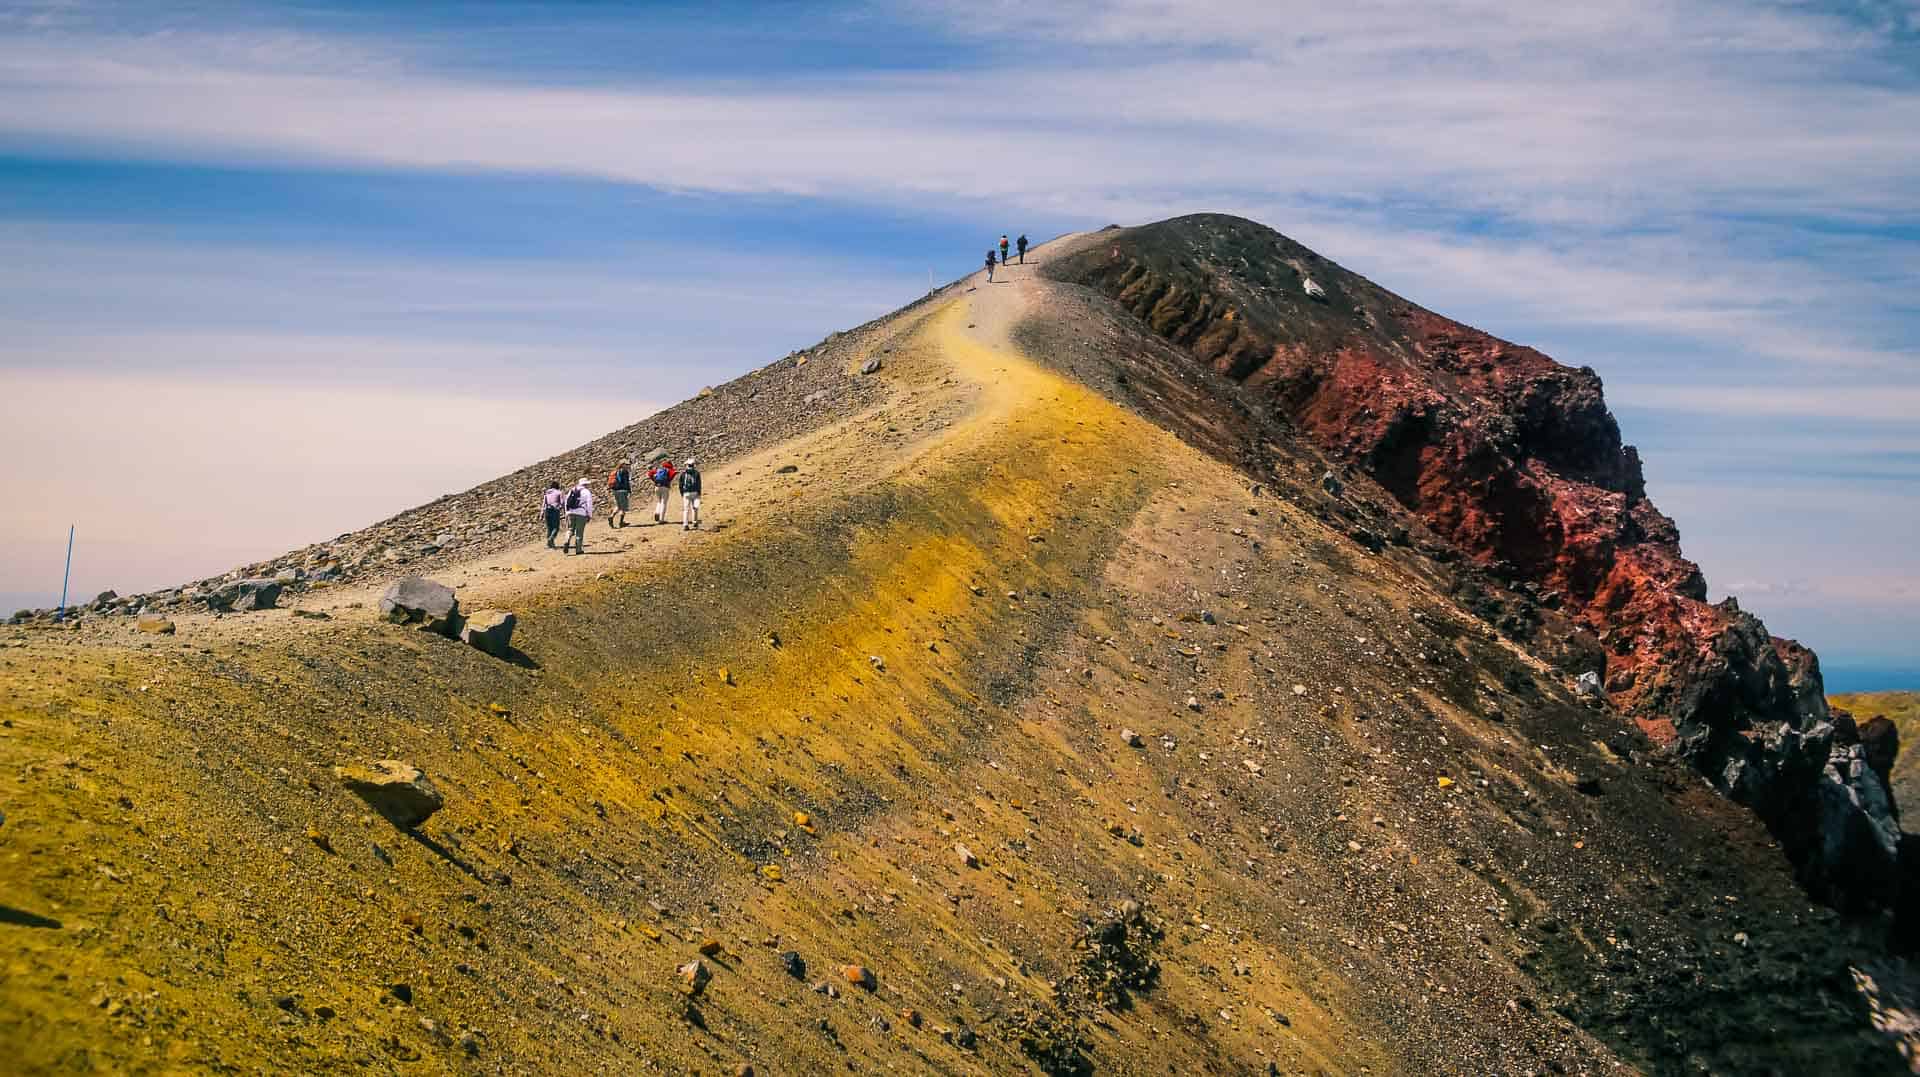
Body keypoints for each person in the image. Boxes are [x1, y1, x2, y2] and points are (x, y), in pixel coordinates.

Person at [562, 477, 594, 553]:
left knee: (570, 529)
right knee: (579, 532)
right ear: (585, 484)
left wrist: (566, 512)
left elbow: (566, 501)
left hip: (570, 512)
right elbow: (589, 504)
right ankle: (578, 549)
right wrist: (589, 515)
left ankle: (566, 540)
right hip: (581, 513)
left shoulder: (572, 490)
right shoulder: (586, 492)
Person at [649, 457, 677, 524]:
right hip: (665, 487)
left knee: (659, 501)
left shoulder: (659, 469)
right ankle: (661, 519)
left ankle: (657, 512)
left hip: (657, 487)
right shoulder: (670, 470)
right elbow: (672, 475)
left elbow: (650, 474)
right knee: (664, 503)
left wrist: (654, 480)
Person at [679, 457, 702, 531]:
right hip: (695, 492)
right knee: (695, 507)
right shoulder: (697, 473)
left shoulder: (683, 474)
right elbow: (699, 483)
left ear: (687, 465)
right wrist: (699, 492)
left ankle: (685, 524)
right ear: (693, 465)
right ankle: (695, 522)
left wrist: (682, 492)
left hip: (686, 493)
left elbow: (680, 484)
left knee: (686, 509)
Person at [608, 459, 632, 528]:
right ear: (623, 465)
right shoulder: (624, 472)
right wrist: (629, 491)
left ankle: (611, 516)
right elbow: (626, 482)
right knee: (623, 508)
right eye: (626, 464)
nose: (627, 466)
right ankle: (621, 522)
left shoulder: (616, 471)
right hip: (623, 491)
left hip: (615, 491)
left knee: (618, 506)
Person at [541, 480, 564, 548]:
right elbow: (562, 503)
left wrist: (541, 513)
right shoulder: (559, 492)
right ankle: (551, 539)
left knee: (549, 528)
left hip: (547, 510)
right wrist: (561, 509)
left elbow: (544, 504)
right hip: (554, 510)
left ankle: (550, 544)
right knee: (556, 527)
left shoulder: (547, 493)